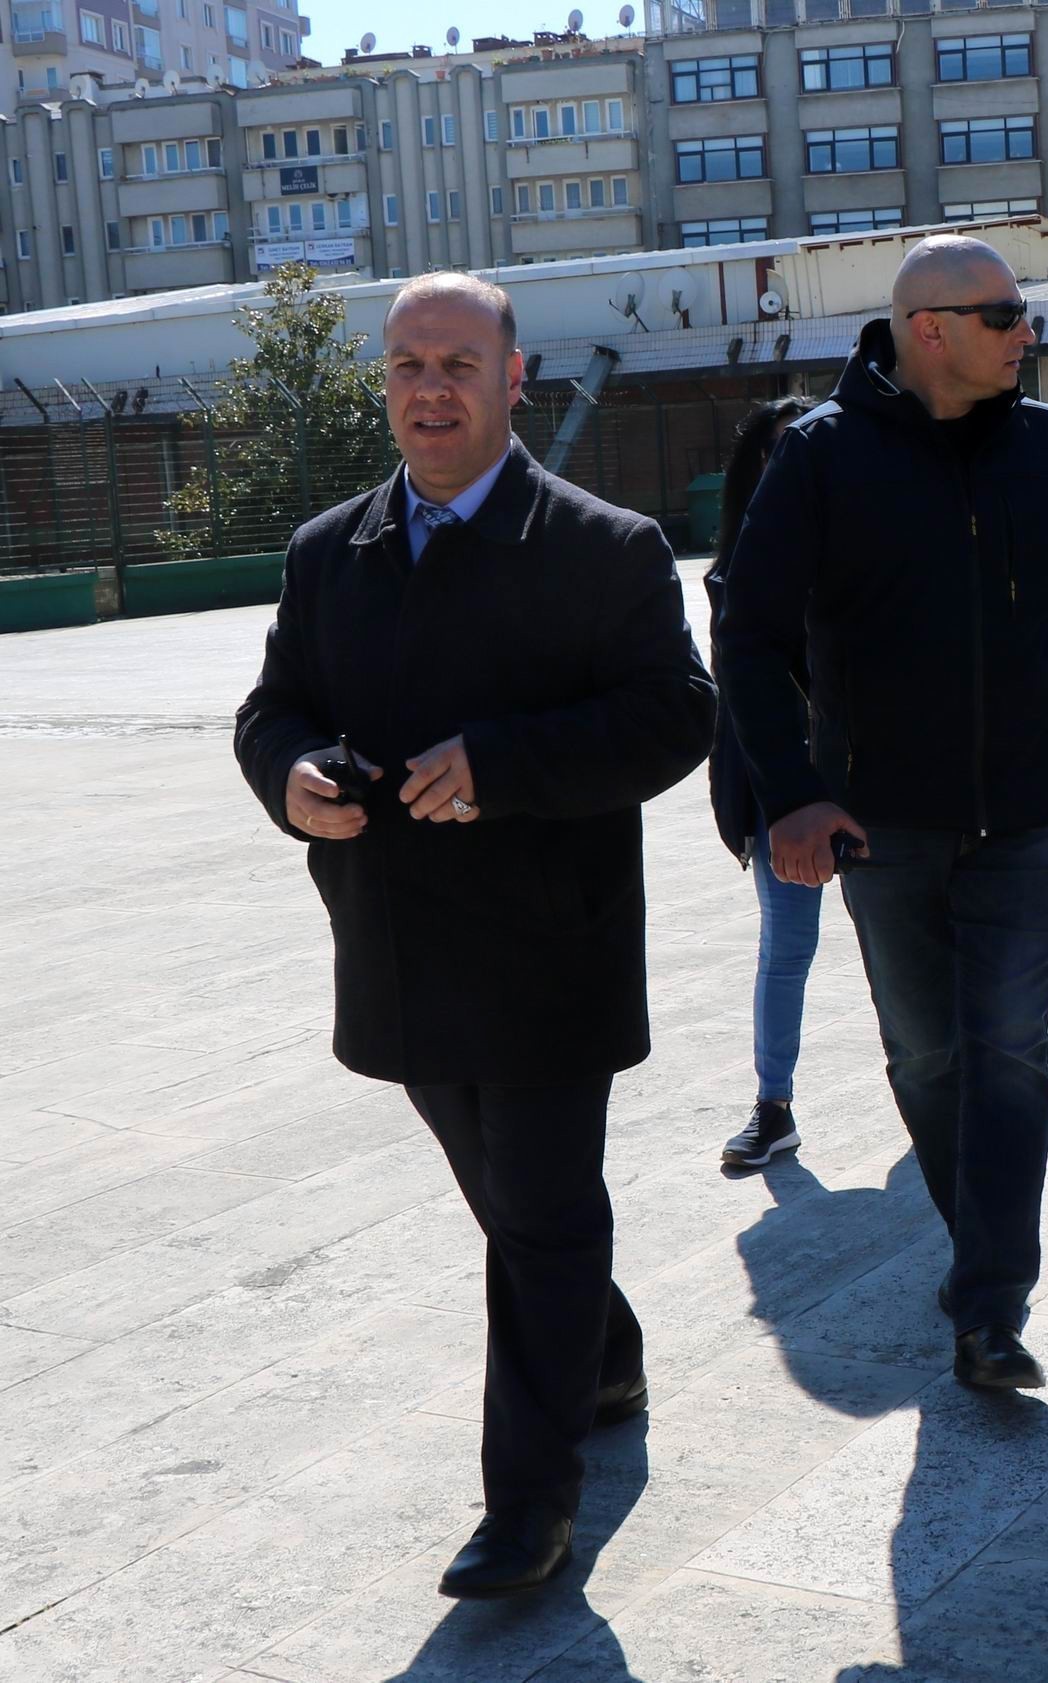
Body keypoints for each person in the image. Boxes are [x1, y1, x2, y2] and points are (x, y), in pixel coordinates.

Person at [232, 272, 716, 1598]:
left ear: (514, 378)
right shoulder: (329, 550)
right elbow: (272, 707)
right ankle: (605, 1356)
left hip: (552, 952)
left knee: (540, 1219)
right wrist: (290, 773)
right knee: (512, 1205)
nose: (429, 389)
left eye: (457, 363)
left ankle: (529, 1510)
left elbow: (677, 715)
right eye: (406, 365)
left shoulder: (606, 546)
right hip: (397, 945)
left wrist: (503, 765)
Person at [713, 235, 1048, 1392]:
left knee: (1009, 1051)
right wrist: (793, 793)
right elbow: (748, 635)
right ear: (929, 330)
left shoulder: (1045, 445)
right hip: (884, 823)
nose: (1026, 333)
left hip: (1035, 816)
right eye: (1005, 315)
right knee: (926, 1055)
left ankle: (989, 1305)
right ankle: (984, 1265)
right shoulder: (822, 456)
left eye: (1025, 314)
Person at [703, 396, 822, 1169]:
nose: (793, 463)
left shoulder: (869, 552)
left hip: (874, 780)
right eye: (777, 450)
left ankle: (936, 1091)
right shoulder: (734, 574)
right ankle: (772, 1105)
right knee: (787, 947)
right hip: (782, 790)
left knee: (903, 947)